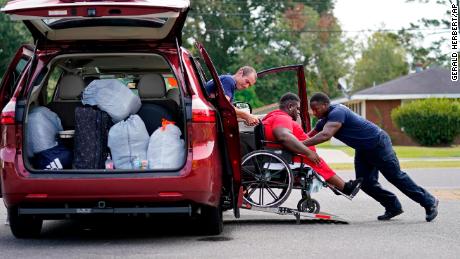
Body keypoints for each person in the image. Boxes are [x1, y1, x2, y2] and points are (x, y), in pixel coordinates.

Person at [303, 92, 439, 222]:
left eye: (316, 109)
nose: (314, 113)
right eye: (312, 110)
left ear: (325, 104)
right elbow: (308, 136)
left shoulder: (337, 112)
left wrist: (301, 144)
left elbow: (325, 135)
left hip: (378, 144)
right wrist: (292, 143)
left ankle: (430, 202)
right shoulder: (323, 121)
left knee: (396, 177)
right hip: (363, 149)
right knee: (366, 183)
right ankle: (393, 206)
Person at [262, 93, 362, 197]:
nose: (299, 112)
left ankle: (337, 186)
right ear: (290, 106)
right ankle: (344, 188)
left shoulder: (275, 117)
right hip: (287, 156)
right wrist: (308, 152)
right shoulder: (282, 118)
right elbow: (283, 136)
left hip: (282, 153)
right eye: (298, 109)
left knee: (316, 161)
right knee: (317, 161)